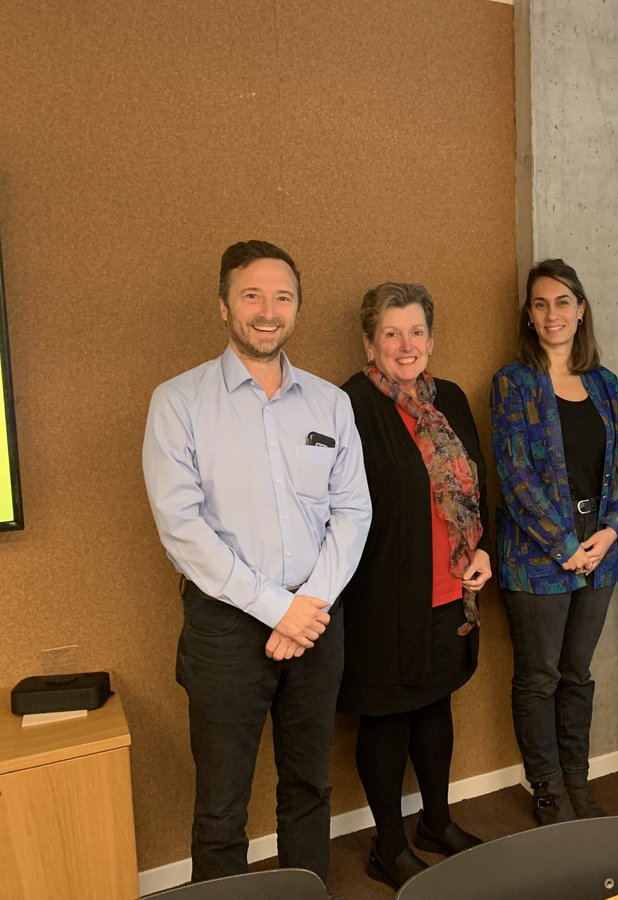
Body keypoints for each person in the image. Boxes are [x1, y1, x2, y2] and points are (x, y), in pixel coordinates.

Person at [142, 240, 372, 887]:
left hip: (317, 619)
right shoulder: (178, 402)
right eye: (252, 295)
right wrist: (278, 609)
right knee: (221, 805)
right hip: (225, 628)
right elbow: (182, 529)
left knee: (309, 786)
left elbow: (353, 511)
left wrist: (308, 605)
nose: (268, 311)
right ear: (223, 305)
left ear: (296, 308)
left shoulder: (330, 404)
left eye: (282, 297)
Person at [338, 283, 491, 890]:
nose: (407, 345)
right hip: (381, 599)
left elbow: (476, 484)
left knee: (434, 706)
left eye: (417, 332)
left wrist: (482, 549)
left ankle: (436, 822)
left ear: (432, 338)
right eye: (392, 334)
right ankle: (389, 845)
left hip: (450, 592)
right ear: (369, 343)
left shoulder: (448, 397)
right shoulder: (348, 406)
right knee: (386, 718)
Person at [490, 258, 618, 826]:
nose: (553, 314)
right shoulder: (513, 382)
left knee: (578, 674)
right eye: (541, 303)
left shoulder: (603, 383)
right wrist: (563, 544)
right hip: (536, 558)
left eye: (563, 302)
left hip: (600, 554)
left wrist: (609, 531)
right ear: (529, 314)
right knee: (539, 677)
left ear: (581, 310)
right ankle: (547, 788)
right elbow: (515, 475)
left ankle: (577, 779)